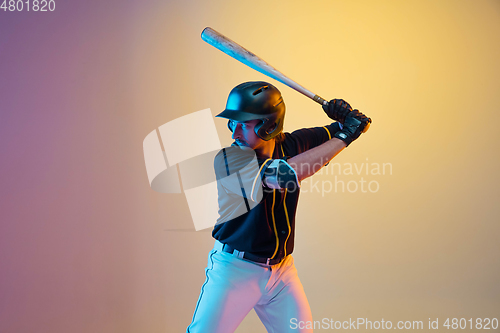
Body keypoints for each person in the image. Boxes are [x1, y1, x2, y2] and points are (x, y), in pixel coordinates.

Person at [186, 81, 371, 333]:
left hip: (282, 273)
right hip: (234, 271)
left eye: (244, 124)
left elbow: (346, 131)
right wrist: (345, 135)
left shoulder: (293, 143)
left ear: (269, 125)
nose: (234, 132)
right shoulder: (230, 160)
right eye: (233, 122)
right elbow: (286, 175)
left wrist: (347, 119)